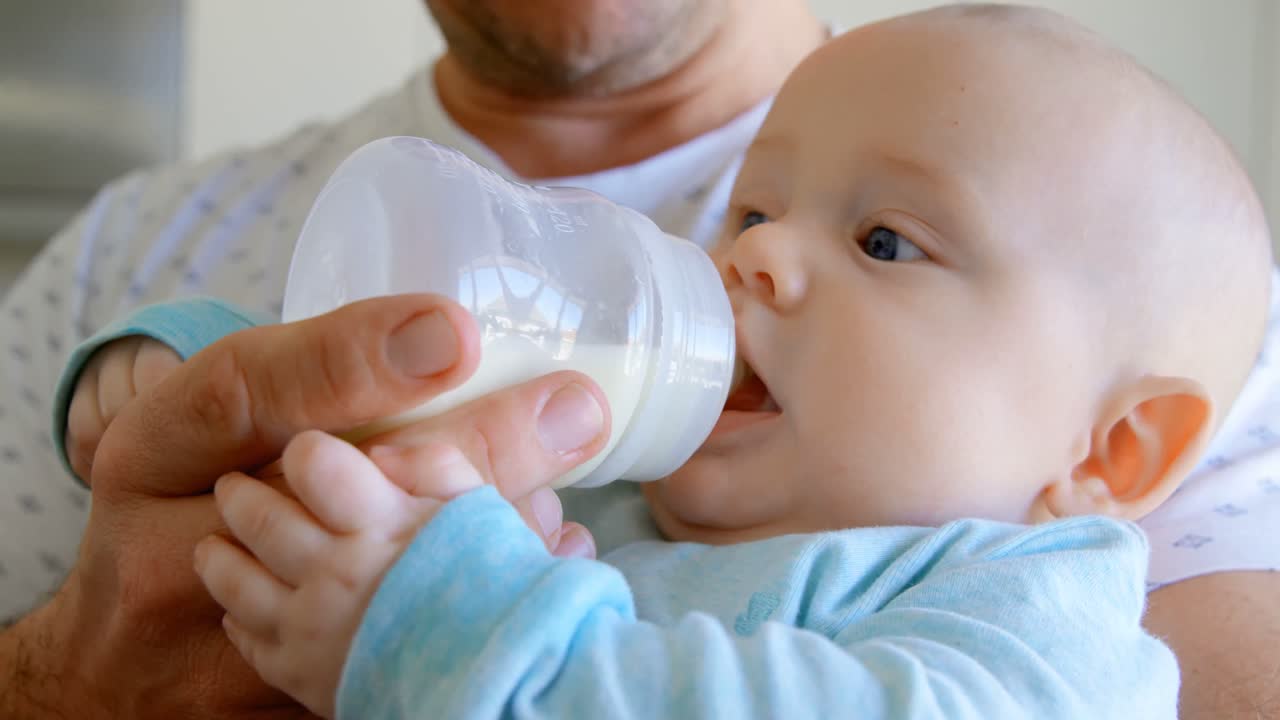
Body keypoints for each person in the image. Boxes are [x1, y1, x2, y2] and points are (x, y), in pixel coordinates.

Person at [0, 1, 1274, 718]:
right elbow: (385, 416)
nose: (752, 258)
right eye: (753, 210)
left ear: (1113, 452)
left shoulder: (1036, 627)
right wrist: (198, 373)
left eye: (884, 242)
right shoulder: (616, 503)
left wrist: (451, 627)